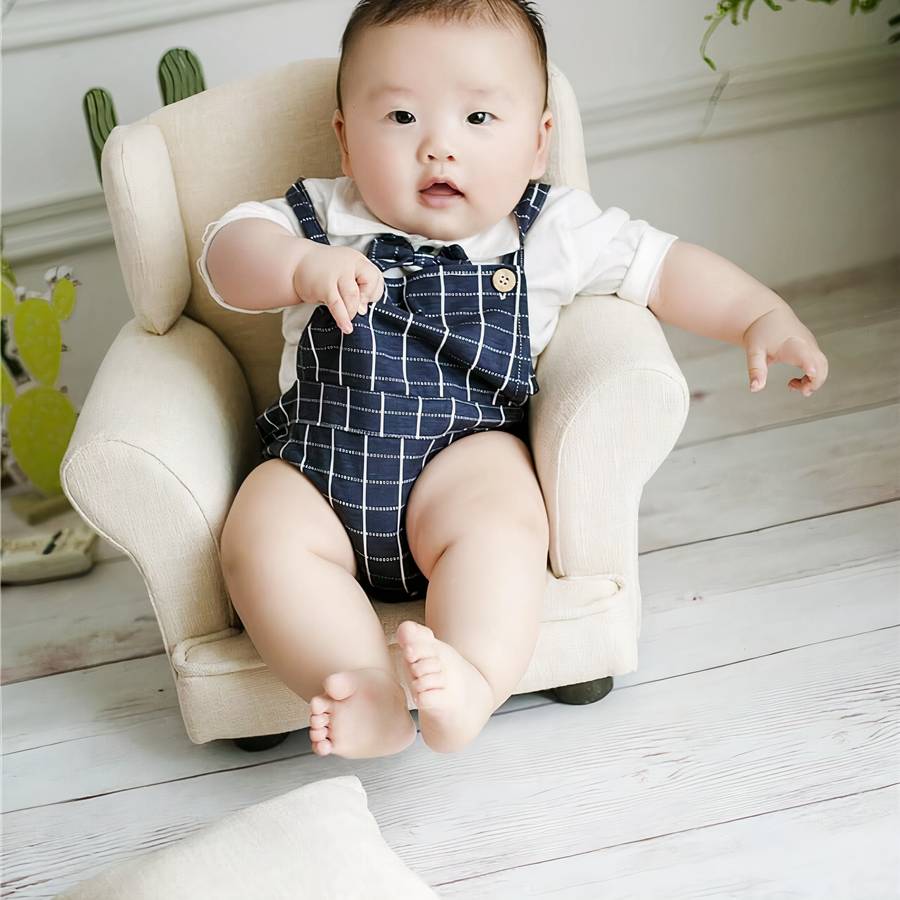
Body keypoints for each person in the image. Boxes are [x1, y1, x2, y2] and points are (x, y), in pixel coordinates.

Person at [199, 0, 829, 760]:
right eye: (400, 116)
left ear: (538, 144)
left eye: (478, 119)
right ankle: (359, 684)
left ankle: (473, 676)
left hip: (461, 461)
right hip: (320, 467)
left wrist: (757, 312)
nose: (438, 148)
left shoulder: (549, 229)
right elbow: (227, 256)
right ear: (344, 137)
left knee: (504, 521)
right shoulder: (319, 217)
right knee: (258, 538)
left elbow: (664, 267)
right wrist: (301, 266)